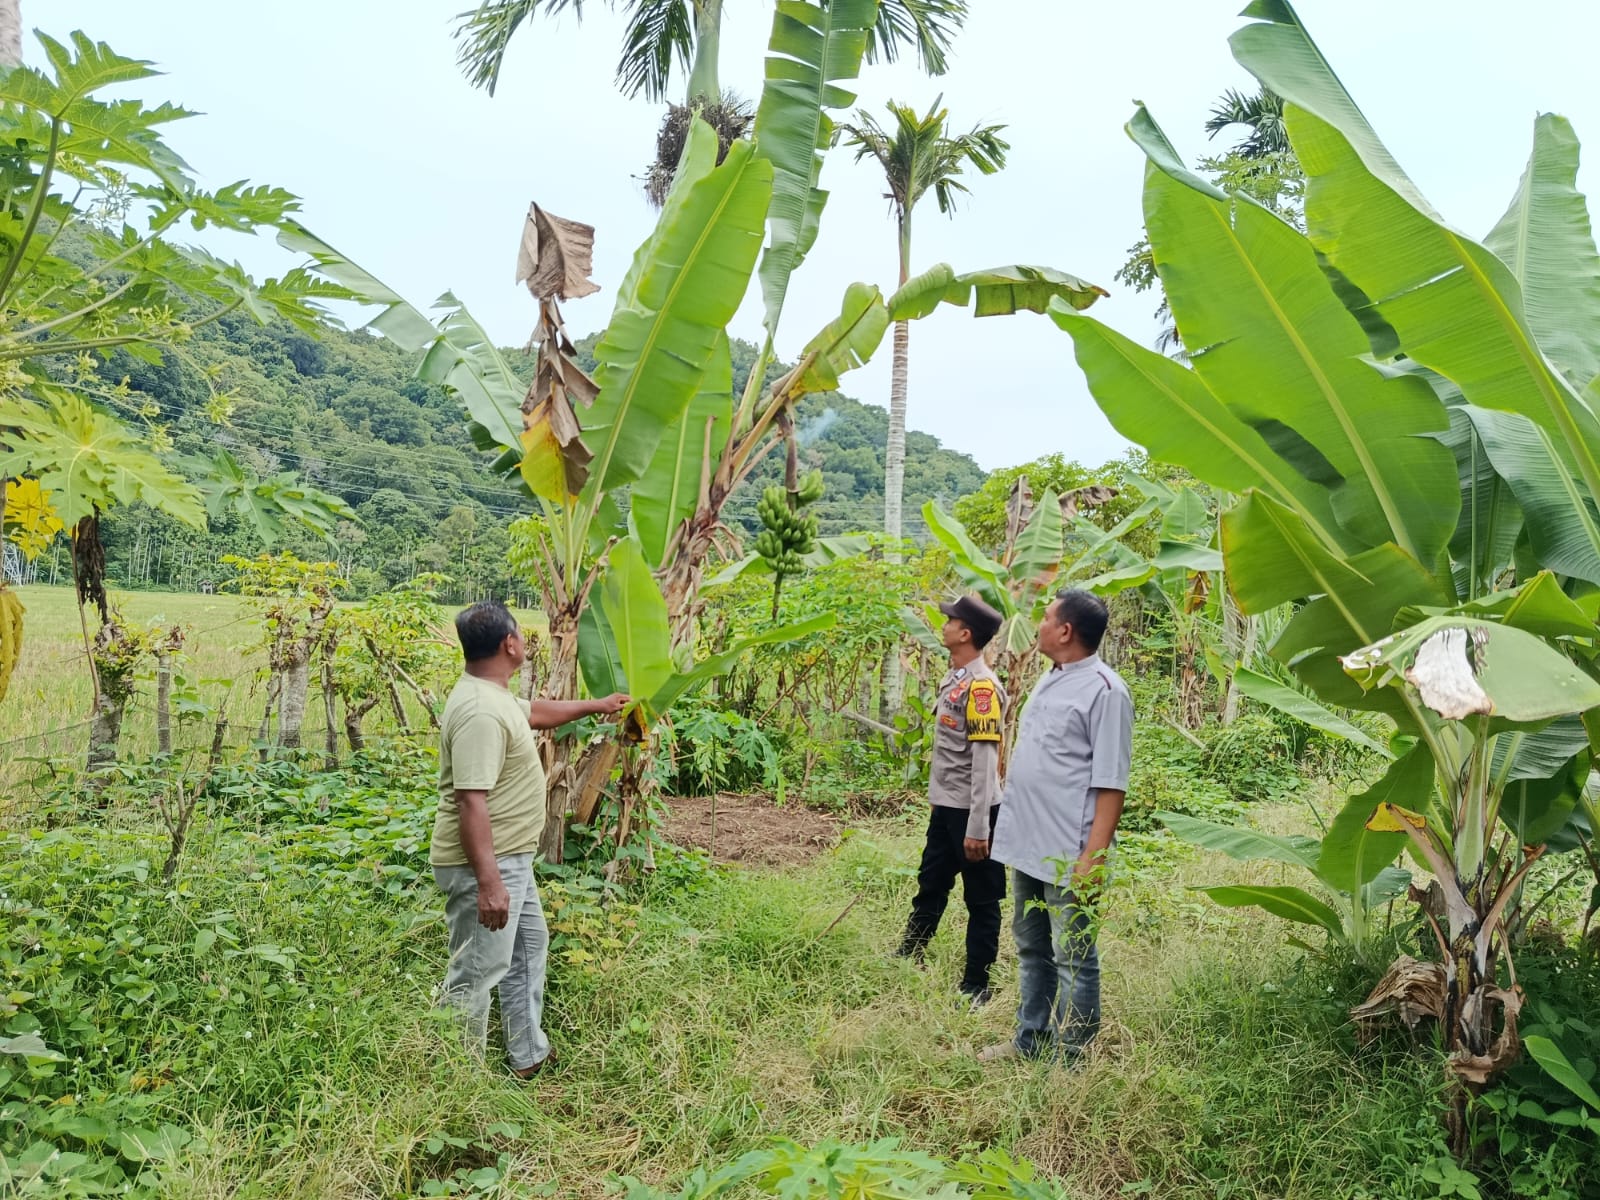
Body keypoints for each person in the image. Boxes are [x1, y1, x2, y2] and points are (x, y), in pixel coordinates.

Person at [431, 600, 627, 1078]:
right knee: (477, 972)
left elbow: (534, 712)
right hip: (486, 863)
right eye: (520, 633)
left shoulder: (491, 695)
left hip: (509, 858)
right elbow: (470, 801)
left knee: (527, 946)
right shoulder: (479, 710)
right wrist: (490, 883)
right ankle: (459, 1083)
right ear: (510, 644)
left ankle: (526, 1054)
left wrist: (598, 706)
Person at [981, 588, 1133, 1063]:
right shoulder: (1051, 677)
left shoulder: (1107, 692)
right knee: (1031, 947)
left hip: (1069, 847)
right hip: (1028, 839)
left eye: (1045, 618)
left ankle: (1073, 1057)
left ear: (1065, 631)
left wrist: (1094, 857)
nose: (1039, 624)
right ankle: (1030, 1040)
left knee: (1074, 957)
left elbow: (1111, 784)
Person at [895, 593, 1008, 1008]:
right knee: (931, 883)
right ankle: (909, 954)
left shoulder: (981, 689)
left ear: (965, 633)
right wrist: (939, 804)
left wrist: (978, 828)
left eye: (950, 621)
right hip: (948, 807)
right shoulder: (955, 679)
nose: (942, 626)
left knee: (982, 899)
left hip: (974, 811)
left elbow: (984, 763)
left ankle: (977, 985)